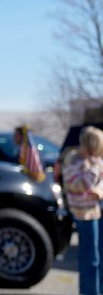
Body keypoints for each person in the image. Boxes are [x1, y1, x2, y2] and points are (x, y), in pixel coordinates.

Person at [63, 125, 103, 295]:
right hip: (83, 214)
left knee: (99, 257)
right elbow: (79, 185)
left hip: (96, 210)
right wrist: (95, 169)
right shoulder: (73, 160)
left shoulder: (96, 161)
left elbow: (100, 183)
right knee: (90, 259)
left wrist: (100, 191)